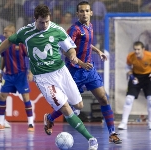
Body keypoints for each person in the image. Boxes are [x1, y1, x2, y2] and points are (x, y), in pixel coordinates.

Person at [0, 4, 98, 150]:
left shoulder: (57, 29)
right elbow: (8, 41)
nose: (45, 24)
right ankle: (91, 139)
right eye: (42, 22)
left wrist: (72, 56)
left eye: (47, 21)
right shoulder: (25, 32)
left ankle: (50, 117)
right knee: (66, 108)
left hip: (61, 72)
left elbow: (70, 48)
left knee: (79, 105)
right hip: (43, 78)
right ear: (35, 19)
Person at [44, 1, 122, 144]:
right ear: (77, 13)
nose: (84, 13)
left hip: (89, 70)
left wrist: (98, 51)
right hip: (75, 72)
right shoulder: (73, 30)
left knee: (103, 98)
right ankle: (50, 118)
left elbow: (86, 43)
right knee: (68, 104)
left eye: (87, 11)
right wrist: (80, 63)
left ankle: (112, 133)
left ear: (91, 12)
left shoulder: (90, 26)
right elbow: (64, 49)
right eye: (81, 11)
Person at [0, 24, 35, 132]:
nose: (4, 34)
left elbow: (32, 58)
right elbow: (4, 60)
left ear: (12, 33)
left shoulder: (21, 44)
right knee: (2, 96)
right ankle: (1, 123)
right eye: (4, 32)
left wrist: (31, 72)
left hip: (21, 75)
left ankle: (30, 124)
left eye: (6, 32)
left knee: (26, 98)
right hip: (8, 76)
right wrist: (0, 72)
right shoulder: (4, 45)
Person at [118, 41, 151, 130]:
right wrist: (131, 76)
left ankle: (150, 123)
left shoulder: (150, 56)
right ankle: (123, 123)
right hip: (136, 77)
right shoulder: (130, 57)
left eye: (138, 49)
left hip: (148, 77)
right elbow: (127, 66)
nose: (136, 51)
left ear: (143, 49)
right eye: (135, 49)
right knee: (129, 99)